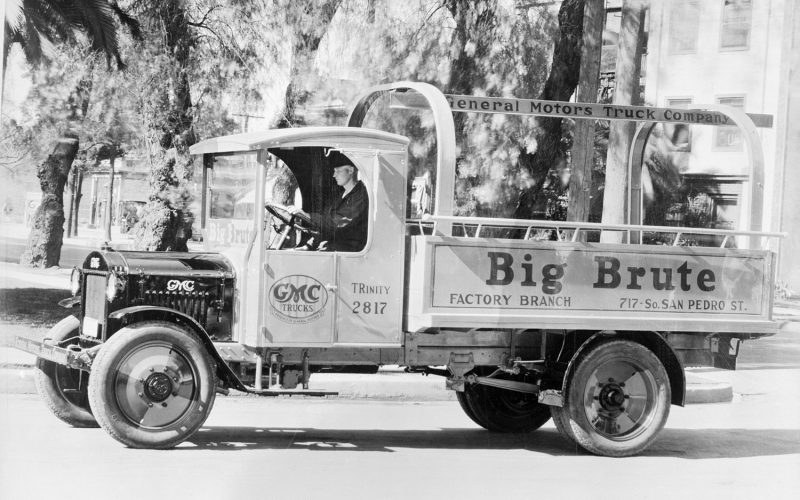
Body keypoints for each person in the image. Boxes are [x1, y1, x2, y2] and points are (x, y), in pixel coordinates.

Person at [293, 162, 369, 252]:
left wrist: (309, 216)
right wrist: (310, 245)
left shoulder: (361, 195)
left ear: (351, 171)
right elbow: (327, 224)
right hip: (335, 245)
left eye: (338, 171)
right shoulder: (341, 195)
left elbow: (337, 223)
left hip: (350, 250)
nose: (334, 175)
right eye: (334, 171)